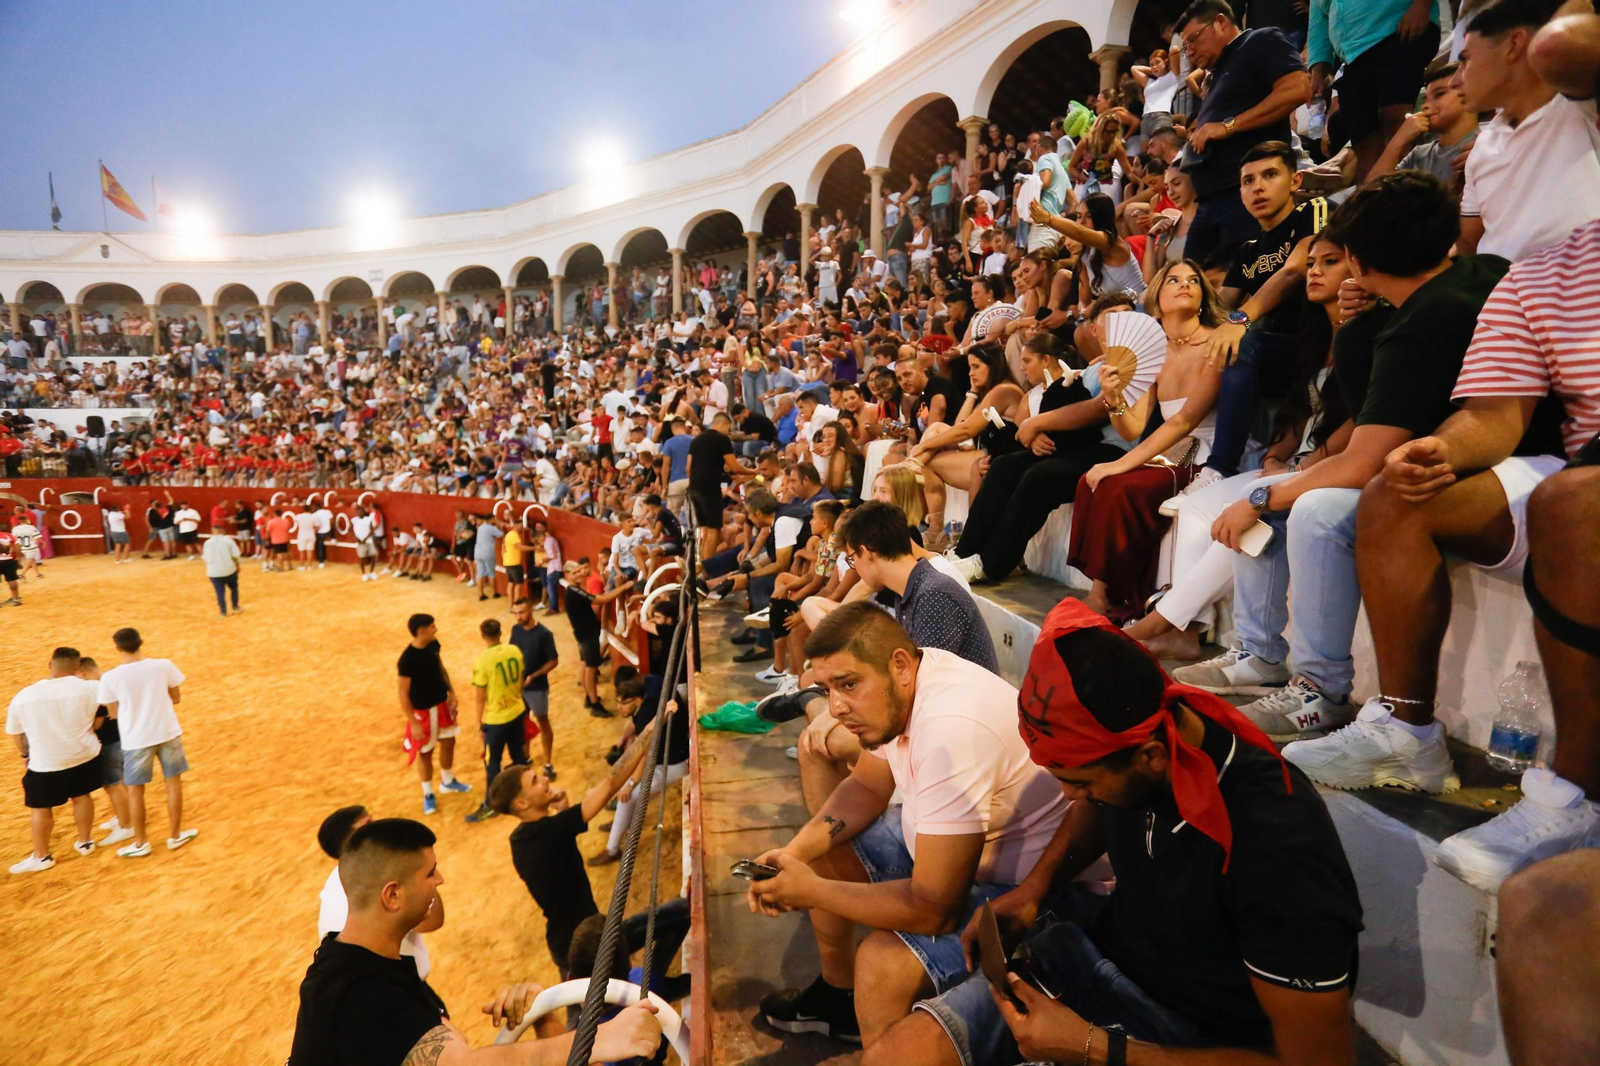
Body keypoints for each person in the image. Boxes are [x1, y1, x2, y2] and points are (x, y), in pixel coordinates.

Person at [867, 599, 1363, 1066]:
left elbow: (1317, 1061)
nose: (1068, 797)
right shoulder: (1142, 753)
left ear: (1149, 757)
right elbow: (1099, 808)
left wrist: (1094, 1048)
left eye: (1080, 781)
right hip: (1100, 955)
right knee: (900, 1054)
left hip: (1192, 1034)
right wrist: (1033, 891)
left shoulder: (1277, 846)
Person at [1285, 216, 1600, 892]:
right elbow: (1494, 413)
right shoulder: (1551, 268)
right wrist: (1443, 450)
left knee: (1575, 505)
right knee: (1394, 495)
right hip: (1578, 465)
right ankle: (1408, 732)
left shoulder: (1450, 301)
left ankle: (1579, 793)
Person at [1173, 172, 1519, 742]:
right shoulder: (1482, 269)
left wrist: (1263, 496)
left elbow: (1362, 461)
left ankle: (1320, 690)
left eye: (1333, 260)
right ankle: (1260, 656)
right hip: (1485, 452)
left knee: (1311, 509)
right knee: (1279, 495)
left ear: (1358, 260)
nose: (1319, 271)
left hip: (1474, 468)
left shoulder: (1421, 324)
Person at [749, 603, 1069, 1047]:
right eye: (827, 688)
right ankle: (838, 999)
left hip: (1031, 887)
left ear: (899, 664)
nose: (836, 707)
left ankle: (885, 1048)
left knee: (880, 964)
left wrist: (810, 890)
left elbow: (933, 909)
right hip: (961, 851)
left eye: (848, 684)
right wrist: (795, 857)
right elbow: (864, 787)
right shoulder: (908, 683)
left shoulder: (949, 728)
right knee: (822, 855)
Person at [286, 817, 663, 1065]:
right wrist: (600, 1037)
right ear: (393, 895)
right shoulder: (360, 994)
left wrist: (542, 1016)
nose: (441, 880)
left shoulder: (366, 961)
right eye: (430, 873)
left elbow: (451, 1048)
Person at [1067, 259, 1224, 620]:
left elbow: (1185, 421)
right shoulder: (1155, 352)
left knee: (1121, 486)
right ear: (1156, 297)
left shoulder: (1216, 343)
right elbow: (1133, 427)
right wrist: (1114, 398)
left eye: (1193, 280)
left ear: (1202, 297)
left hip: (1209, 456)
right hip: (1170, 452)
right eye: (1173, 279)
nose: (1184, 284)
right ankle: (1106, 591)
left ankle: (1104, 594)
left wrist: (1121, 463)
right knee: (1090, 482)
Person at [948, 330, 1129, 585]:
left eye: (1027, 361)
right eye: (1102, 325)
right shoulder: (1091, 369)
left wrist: (1037, 423)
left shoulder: (1126, 366)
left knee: (1041, 476)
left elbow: (1095, 410)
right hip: (1077, 444)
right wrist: (1033, 436)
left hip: (1114, 449)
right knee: (1004, 466)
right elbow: (1023, 430)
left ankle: (992, 563)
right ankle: (964, 551)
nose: (1021, 368)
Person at [486, 719, 660, 975]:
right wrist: (647, 731)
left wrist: (563, 811)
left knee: (582, 1007)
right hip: (586, 943)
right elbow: (611, 783)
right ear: (522, 804)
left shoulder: (520, 839)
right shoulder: (554, 830)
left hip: (564, 941)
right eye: (535, 781)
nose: (545, 780)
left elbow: (556, 852)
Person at [1455, 0, 1600, 263]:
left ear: (1514, 44)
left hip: (1579, 288)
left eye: (1465, 60)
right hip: (1504, 292)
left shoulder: (1578, 106)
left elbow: (1553, 45)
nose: (1456, 81)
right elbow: (1467, 243)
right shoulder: (1482, 145)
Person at [1175, 0, 1312, 265]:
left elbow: (1297, 89)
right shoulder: (1213, 75)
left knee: (1243, 283)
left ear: (1221, 21)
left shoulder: (1261, 40)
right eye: (1185, 47)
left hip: (1246, 195)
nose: (1190, 51)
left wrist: (1227, 126)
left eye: (1194, 39)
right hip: (1209, 202)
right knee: (1197, 288)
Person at [1307, 0, 1441, 180]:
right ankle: (1373, 203)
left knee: (1395, 115)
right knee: (1362, 143)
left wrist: (1421, 5)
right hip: (1353, 58)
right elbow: (1319, 21)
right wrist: (1318, 72)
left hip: (1398, 31)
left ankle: (1415, 192)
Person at [96, 627, 196, 857]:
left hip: (135, 738)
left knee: (135, 791)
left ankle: (141, 842)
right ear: (141, 642)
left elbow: (113, 712)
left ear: (118, 648)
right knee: (173, 783)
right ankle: (175, 835)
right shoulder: (163, 665)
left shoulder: (111, 677)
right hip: (167, 732)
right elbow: (176, 697)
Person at [315, 805, 442, 979]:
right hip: (398, 987)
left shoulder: (339, 881)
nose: (378, 826)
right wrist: (420, 872)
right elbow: (432, 922)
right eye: (369, 823)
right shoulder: (385, 880)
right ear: (352, 840)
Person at [6, 647, 103, 874]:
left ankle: (42, 856)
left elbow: (16, 734)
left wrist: (25, 754)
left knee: (40, 809)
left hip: (46, 761)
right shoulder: (91, 689)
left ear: (50, 664)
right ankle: (85, 841)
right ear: (78, 668)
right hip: (85, 755)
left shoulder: (25, 696)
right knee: (82, 796)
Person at [397, 613, 472, 816]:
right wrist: (413, 723)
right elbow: (403, 694)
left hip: (441, 705)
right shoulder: (406, 660)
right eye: (432, 627)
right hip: (423, 712)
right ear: (421, 631)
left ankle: (447, 781)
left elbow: (440, 668)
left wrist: (451, 692)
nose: (435, 629)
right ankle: (428, 793)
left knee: (449, 742)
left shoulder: (433, 645)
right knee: (426, 753)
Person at [1367, 58, 1480, 185]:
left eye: (1439, 95)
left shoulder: (1482, 143)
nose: (1424, 106)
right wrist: (1399, 139)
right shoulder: (1420, 153)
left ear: (1467, 93)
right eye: (1426, 99)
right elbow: (1371, 192)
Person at [464, 618, 530, 824]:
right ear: (500, 633)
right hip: (517, 710)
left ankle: (490, 805)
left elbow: (480, 695)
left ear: (483, 636)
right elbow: (520, 680)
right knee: (518, 755)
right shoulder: (514, 651)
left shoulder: (482, 660)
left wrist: (478, 722)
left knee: (492, 763)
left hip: (496, 720)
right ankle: (525, 792)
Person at [562, 558, 634, 715]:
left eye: (579, 570)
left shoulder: (572, 591)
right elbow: (602, 599)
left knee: (587, 665)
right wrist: (623, 588)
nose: (579, 574)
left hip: (582, 634)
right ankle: (594, 704)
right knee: (590, 668)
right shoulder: (576, 591)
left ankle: (590, 698)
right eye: (574, 572)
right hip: (587, 635)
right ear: (567, 576)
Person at [508, 597, 560, 781]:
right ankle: (524, 758)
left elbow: (553, 660)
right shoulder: (515, 630)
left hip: (537, 686)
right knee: (522, 722)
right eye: (515, 613)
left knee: (542, 722)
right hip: (519, 686)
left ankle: (548, 763)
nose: (518, 616)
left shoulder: (544, 634)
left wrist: (534, 676)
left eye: (521, 612)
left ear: (530, 610)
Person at [202, 522, 243, 618]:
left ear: (213, 532)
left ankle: (223, 612)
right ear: (222, 531)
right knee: (234, 588)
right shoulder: (228, 541)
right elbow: (236, 555)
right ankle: (235, 606)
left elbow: (205, 557)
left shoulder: (207, 543)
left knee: (220, 592)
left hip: (214, 572)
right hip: (229, 569)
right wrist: (237, 565)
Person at [475, 515, 504, 602]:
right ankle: (494, 593)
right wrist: (500, 527)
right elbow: (502, 535)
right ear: (490, 520)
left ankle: (481, 594)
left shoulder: (480, 527)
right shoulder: (491, 528)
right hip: (488, 553)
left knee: (480, 574)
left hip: (478, 552)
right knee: (491, 573)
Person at [351, 505, 379, 581]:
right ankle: (364, 574)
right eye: (359, 512)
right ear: (356, 512)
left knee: (373, 557)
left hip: (369, 541)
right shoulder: (354, 520)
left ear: (364, 512)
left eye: (362, 511)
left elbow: (371, 531)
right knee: (362, 559)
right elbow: (350, 530)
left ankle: (371, 572)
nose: (360, 513)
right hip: (360, 542)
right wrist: (357, 538)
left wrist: (365, 538)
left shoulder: (368, 519)